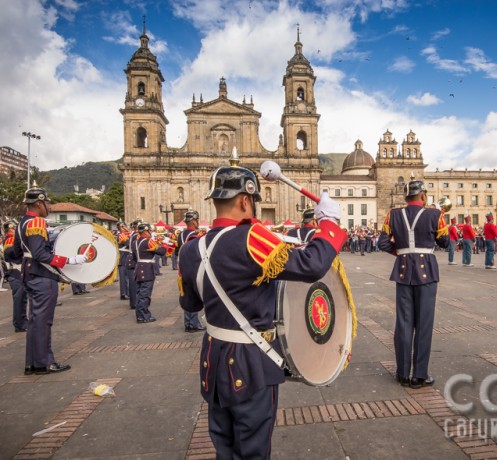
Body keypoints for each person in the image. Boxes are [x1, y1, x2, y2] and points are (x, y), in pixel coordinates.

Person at [178, 161, 346, 459]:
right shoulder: (252, 239)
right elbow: (312, 266)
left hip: (213, 356)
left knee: (223, 442)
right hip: (249, 362)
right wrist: (330, 224)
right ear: (246, 200)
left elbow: (191, 305)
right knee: (253, 447)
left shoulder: (190, 249)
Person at [378, 179, 449, 389]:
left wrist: (400, 253)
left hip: (403, 272)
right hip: (427, 271)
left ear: (406, 197)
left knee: (404, 323)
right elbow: (445, 242)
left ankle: (402, 373)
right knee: (424, 325)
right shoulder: (435, 215)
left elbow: (382, 242)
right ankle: (419, 375)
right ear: (424, 196)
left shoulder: (393, 214)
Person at [6, 188, 85, 375]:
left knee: (34, 320)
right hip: (42, 276)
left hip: (28, 273)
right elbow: (40, 254)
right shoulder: (36, 222)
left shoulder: (21, 223)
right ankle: (44, 363)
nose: (48, 206)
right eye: (47, 203)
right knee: (43, 321)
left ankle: (32, 363)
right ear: (38, 203)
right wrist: (69, 260)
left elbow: (15, 253)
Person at [177, 211, 206, 332]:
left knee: (185, 293)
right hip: (194, 266)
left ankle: (188, 322)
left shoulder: (180, 235)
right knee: (194, 294)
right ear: (194, 221)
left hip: (182, 267)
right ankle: (193, 323)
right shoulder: (196, 235)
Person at [132, 223, 165, 323]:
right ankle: (144, 316)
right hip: (147, 270)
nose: (150, 232)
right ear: (146, 232)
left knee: (139, 293)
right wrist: (162, 244)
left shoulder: (135, 242)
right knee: (145, 294)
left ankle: (139, 315)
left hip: (138, 268)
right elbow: (161, 252)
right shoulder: (148, 241)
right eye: (149, 231)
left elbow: (134, 257)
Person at [2, 220, 28, 332]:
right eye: (13, 228)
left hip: (20, 272)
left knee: (22, 299)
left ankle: (22, 321)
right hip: (15, 272)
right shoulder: (10, 239)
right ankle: (19, 324)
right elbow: (10, 253)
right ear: (9, 230)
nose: (15, 230)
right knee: (19, 299)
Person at [126, 220, 141, 309]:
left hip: (130, 259)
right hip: (133, 260)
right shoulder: (136, 236)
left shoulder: (133, 235)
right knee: (134, 283)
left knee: (133, 283)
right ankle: (134, 302)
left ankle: (133, 301)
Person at [117, 222, 131, 300]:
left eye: (124, 226)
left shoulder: (126, 235)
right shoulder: (121, 235)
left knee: (127, 277)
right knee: (124, 277)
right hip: (123, 258)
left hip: (126, 257)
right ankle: (124, 293)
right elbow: (128, 243)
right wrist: (129, 231)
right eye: (122, 227)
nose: (124, 228)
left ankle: (127, 293)